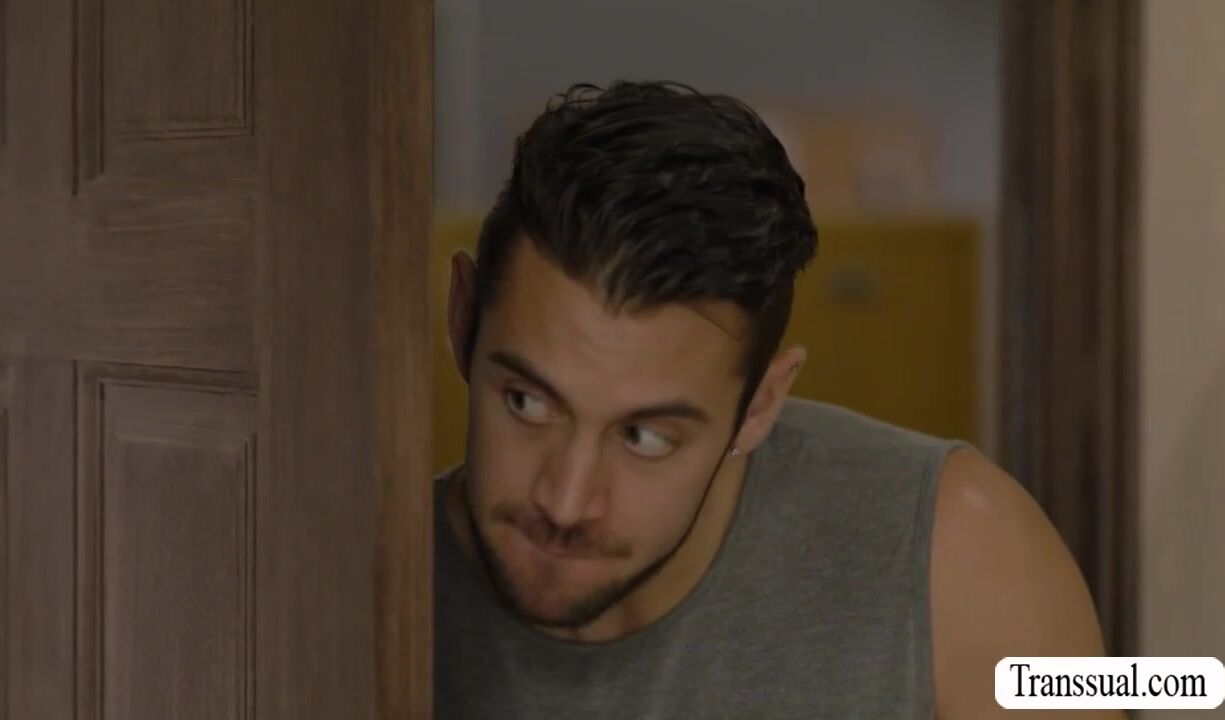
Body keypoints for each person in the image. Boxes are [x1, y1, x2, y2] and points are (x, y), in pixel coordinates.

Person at [434, 80, 1117, 719]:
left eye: (644, 438)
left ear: (759, 407)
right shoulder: (379, 589)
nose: (565, 502)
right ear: (463, 319)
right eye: (526, 403)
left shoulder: (960, 551)